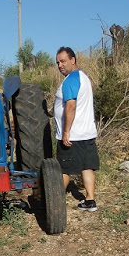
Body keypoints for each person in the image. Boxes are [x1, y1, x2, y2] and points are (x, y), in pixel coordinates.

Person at [53, 46, 99, 212]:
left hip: (73, 136)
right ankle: (90, 200)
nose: (60, 65)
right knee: (86, 166)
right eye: (58, 62)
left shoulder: (71, 79)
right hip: (87, 133)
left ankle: (55, 205)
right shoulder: (83, 77)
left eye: (63, 61)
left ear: (73, 60)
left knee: (64, 170)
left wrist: (66, 132)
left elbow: (71, 105)